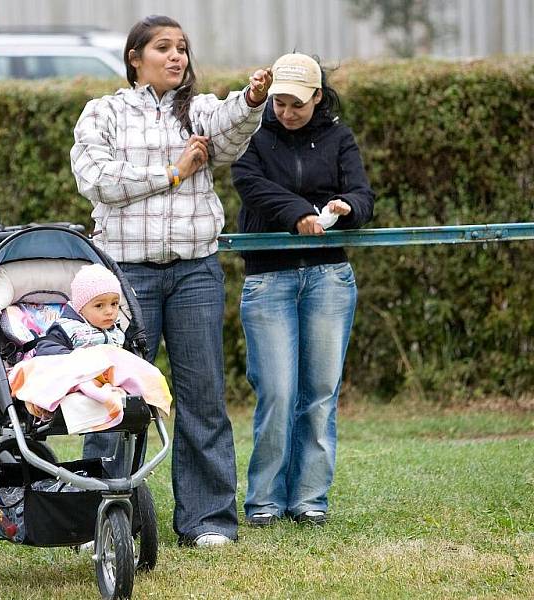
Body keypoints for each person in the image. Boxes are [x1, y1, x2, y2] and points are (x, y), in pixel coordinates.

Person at [70, 14, 270, 547]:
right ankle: (105, 519)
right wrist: (173, 173)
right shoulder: (103, 112)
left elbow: (228, 132)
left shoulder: (200, 110)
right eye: (164, 48)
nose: (177, 56)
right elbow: (97, 180)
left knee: (202, 397)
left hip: (195, 274)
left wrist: (250, 102)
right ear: (136, 57)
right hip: (124, 277)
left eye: (182, 48)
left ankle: (208, 522)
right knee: (112, 398)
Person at [231, 52, 375, 527]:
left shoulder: (338, 136)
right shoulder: (252, 132)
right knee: (275, 392)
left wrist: (346, 206)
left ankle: (310, 499)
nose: (286, 113)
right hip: (268, 278)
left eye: (297, 104)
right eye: (280, 103)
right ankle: (264, 502)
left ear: (317, 97)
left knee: (319, 393)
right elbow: (249, 184)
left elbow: (364, 195)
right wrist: (299, 213)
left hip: (328, 277)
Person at [35, 263, 125, 356]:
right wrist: (76, 358)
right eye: (99, 305)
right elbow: (45, 349)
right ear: (80, 307)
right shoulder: (68, 329)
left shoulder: (117, 332)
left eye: (114, 304)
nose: (110, 311)